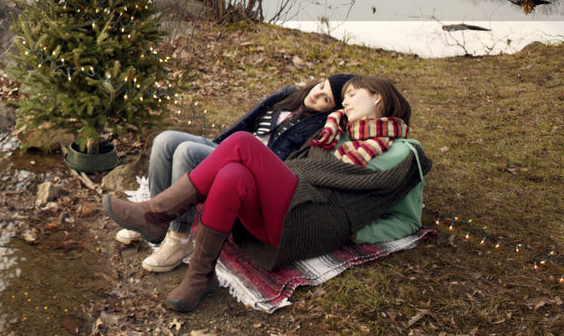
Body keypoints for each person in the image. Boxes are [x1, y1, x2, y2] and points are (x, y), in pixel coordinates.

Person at [104, 75, 430, 312]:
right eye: (344, 96)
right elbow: (304, 168)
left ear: (379, 98)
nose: (345, 101)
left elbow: (407, 219)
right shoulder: (338, 134)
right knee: (232, 174)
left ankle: (158, 214)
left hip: (316, 218)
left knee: (242, 145)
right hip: (292, 210)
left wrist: (355, 230)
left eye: (354, 94)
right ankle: (200, 276)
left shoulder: (404, 152)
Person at [132, 74, 353, 274]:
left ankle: (178, 238)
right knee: (164, 139)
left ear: (330, 109)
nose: (317, 94)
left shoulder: (319, 126)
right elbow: (247, 122)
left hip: (246, 163)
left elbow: (287, 166)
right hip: (226, 146)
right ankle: (152, 222)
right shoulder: (288, 95)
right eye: (321, 86)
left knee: (186, 153)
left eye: (326, 99)